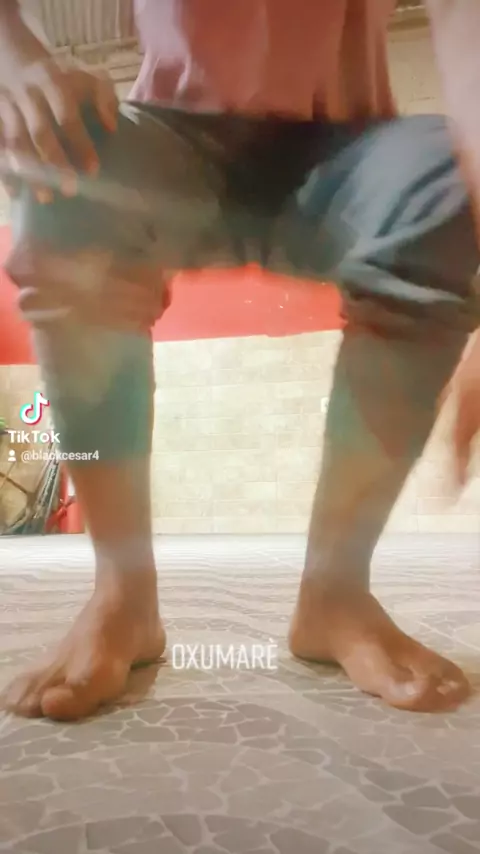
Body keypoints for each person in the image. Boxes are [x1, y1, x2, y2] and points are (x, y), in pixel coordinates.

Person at [0, 0, 479, 722]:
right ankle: (122, 596)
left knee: (447, 190)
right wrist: (16, 57)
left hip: (349, 143)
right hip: (172, 131)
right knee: (67, 180)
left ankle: (335, 593)